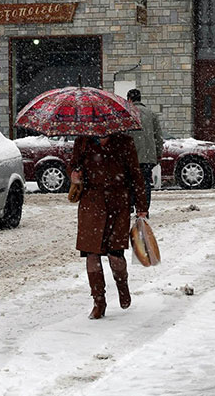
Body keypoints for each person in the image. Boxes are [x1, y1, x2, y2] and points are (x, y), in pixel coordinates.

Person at [69, 133, 149, 320]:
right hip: (91, 202)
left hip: (118, 202)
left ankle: (122, 285)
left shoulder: (124, 141)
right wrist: (73, 174)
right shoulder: (82, 142)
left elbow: (135, 174)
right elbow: (73, 166)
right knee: (91, 253)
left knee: (115, 253)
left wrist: (141, 206)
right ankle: (99, 301)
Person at [126, 89, 163, 207]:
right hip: (147, 156)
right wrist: (158, 153)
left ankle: (130, 205)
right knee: (145, 182)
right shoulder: (151, 114)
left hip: (132, 156)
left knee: (130, 181)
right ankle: (144, 208)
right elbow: (158, 136)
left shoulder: (127, 113)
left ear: (129, 99)